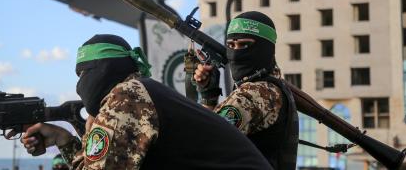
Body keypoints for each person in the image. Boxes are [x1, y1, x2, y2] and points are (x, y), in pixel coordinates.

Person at [18, 34, 273, 170]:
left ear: (103, 69)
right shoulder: (144, 90)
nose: (81, 85)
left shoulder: (127, 96)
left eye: (84, 74)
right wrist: (63, 139)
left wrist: (78, 137)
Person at [194, 11, 299, 170]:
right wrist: (209, 95)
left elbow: (202, 143)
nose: (235, 53)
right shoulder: (274, 87)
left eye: (244, 45)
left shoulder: (254, 93)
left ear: (265, 48)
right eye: (231, 45)